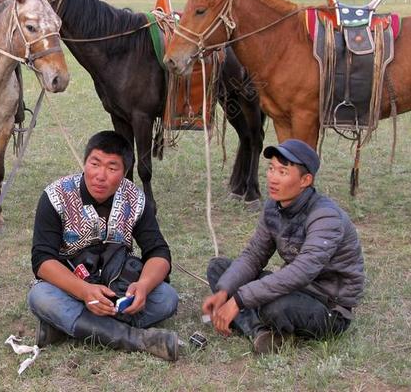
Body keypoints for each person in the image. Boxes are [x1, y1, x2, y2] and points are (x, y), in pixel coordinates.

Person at [27, 130, 180, 361]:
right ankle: (136, 339)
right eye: (95, 163)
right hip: (72, 287)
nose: (100, 175)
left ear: (125, 172)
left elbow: (158, 251)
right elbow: (42, 260)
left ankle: (68, 327)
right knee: (41, 296)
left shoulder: (136, 200)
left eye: (112, 168)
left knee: (166, 297)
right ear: (85, 162)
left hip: (118, 288)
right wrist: (85, 291)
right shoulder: (55, 195)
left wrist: (144, 286)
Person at [202, 139, 365, 354]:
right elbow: (254, 255)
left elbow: (301, 272)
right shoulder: (273, 206)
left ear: (305, 180)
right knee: (219, 269)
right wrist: (225, 291)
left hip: (328, 306)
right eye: (271, 169)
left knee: (275, 307)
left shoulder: (326, 216)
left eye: (283, 172)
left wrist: (238, 300)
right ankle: (261, 333)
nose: (273, 178)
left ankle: (256, 323)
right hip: (294, 288)